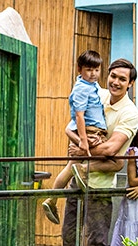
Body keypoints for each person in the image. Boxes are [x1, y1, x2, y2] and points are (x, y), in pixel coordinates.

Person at [62, 58, 138, 246]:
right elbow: (72, 126)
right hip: (77, 179)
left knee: (97, 242)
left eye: (122, 79)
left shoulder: (130, 113)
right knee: (69, 236)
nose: (116, 82)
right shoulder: (96, 92)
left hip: (100, 186)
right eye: (113, 76)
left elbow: (112, 149)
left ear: (130, 84)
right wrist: (85, 144)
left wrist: (81, 150)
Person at [42, 50, 107, 226]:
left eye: (96, 70)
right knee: (82, 166)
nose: (93, 73)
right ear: (79, 69)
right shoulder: (81, 88)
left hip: (87, 131)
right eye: (88, 70)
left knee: (70, 167)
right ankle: (55, 198)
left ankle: (51, 200)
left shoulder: (91, 86)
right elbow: (79, 116)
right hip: (90, 131)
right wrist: (84, 140)